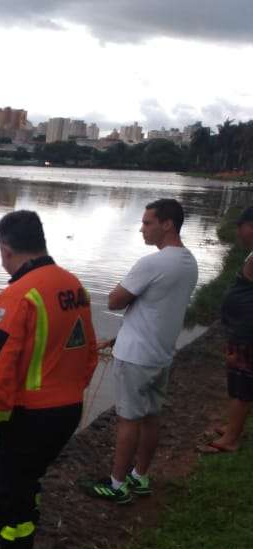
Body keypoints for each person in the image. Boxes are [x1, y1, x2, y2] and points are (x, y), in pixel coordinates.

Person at [0, 210, 98, 549]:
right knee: (24, 485)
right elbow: (87, 351)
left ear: (6, 249)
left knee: (5, 498)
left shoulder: (17, 296)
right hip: (66, 409)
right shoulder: (71, 285)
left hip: (30, 417)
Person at [86, 199, 198, 502]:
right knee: (151, 417)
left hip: (135, 356)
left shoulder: (153, 263)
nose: (142, 229)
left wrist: (124, 296)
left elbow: (114, 301)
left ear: (167, 224)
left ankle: (117, 484)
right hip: (161, 354)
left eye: (148, 223)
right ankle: (140, 475)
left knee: (129, 420)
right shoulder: (189, 262)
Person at [201, 206, 253, 453]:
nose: (238, 233)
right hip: (240, 331)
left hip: (247, 333)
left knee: (243, 387)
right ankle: (231, 426)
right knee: (237, 382)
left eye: (240, 227)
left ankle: (230, 439)